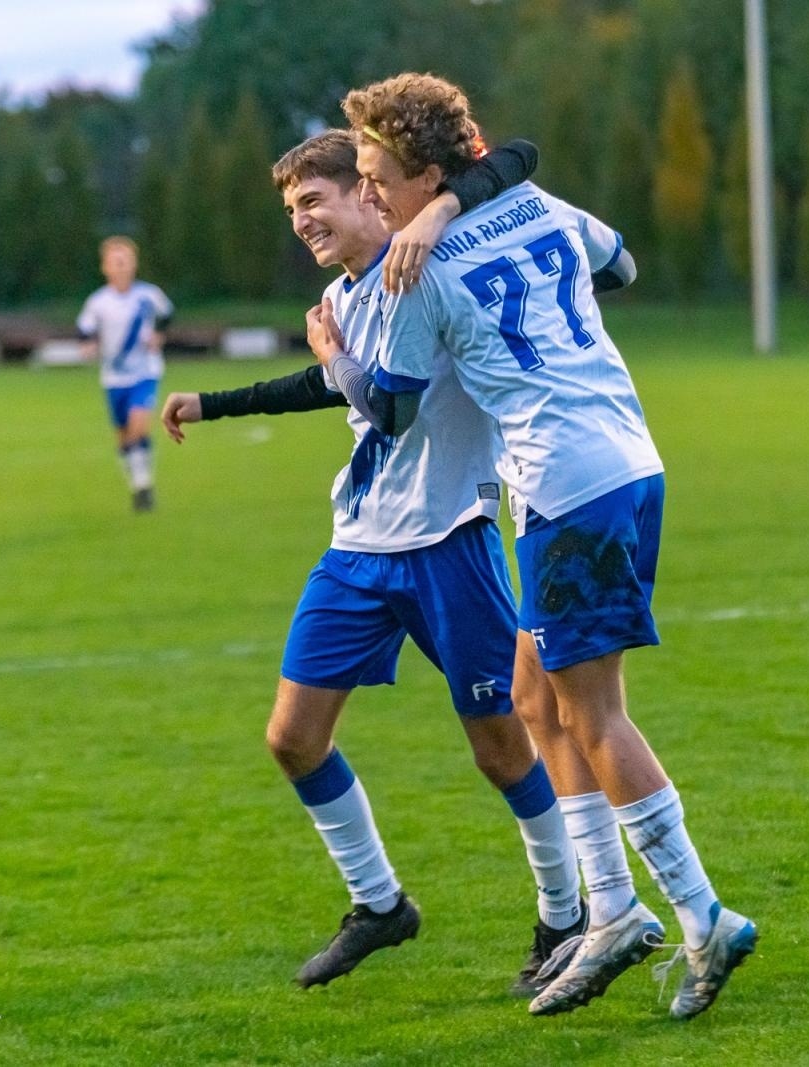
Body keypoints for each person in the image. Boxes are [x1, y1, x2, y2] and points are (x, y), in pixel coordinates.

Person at [319, 72, 756, 1021]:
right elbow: (623, 268)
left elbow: (388, 406)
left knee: (595, 716)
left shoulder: (415, 269)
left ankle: (701, 914)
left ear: (424, 175)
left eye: (376, 178)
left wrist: (332, 354)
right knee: (533, 698)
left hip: (568, 483)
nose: (367, 197)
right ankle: (610, 914)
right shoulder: (541, 204)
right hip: (627, 459)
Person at [159, 132, 595, 996]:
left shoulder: (424, 270)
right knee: (292, 737)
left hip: (451, 540)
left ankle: (566, 912)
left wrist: (434, 215)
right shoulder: (343, 295)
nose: (302, 221)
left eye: (313, 201)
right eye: (291, 211)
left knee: (502, 747)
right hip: (358, 546)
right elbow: (332, 387)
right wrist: (212, 403)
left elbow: (385, 404)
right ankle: (380, 905)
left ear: (368, 194)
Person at [77, 237, 173, 512]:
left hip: (145, 372)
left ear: (134, 264)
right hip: (113, 377)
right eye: (114, 261)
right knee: (123, 437)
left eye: (125, 260)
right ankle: (137, 483)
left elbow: (166, 315)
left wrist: (158, 335)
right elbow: (85, 330)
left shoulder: (148, 295)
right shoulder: (98, 302)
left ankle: (144, 486)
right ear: (105, 267)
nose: (120, 266)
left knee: (139, 426)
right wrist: (88, 346)